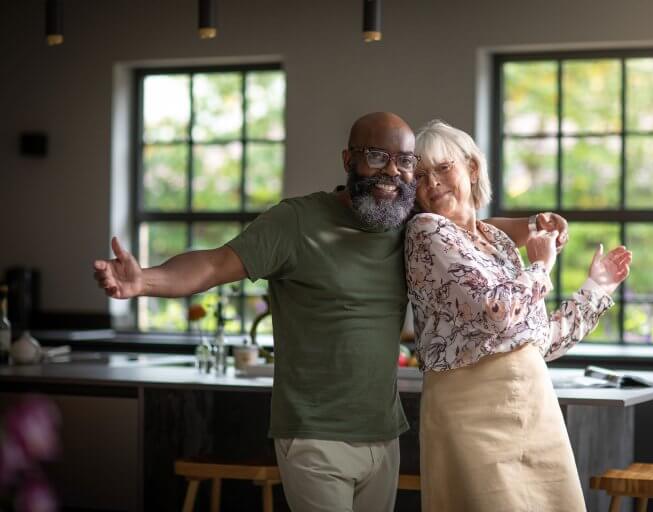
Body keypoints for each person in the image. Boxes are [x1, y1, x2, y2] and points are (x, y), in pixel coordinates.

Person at [92, 112, 566, 512]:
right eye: (377, 156)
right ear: (349, 160)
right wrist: (144, 281)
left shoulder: (403, 223)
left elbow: (468, 228)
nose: (393, 174)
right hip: (315, 434)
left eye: (405, 163)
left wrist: (531, 225)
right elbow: (215, 263)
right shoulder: (296, 222)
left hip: (384, 433)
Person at [405, 120, 632, 512]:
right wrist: (541, 266)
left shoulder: (495, 241)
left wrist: (596, 287)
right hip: (469, 412)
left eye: (444, 167)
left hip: (533, 402)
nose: (432, 182)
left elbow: (539, 339)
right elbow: (495, 312)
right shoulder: (426, 231)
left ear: (471, 169)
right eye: (421, 174)